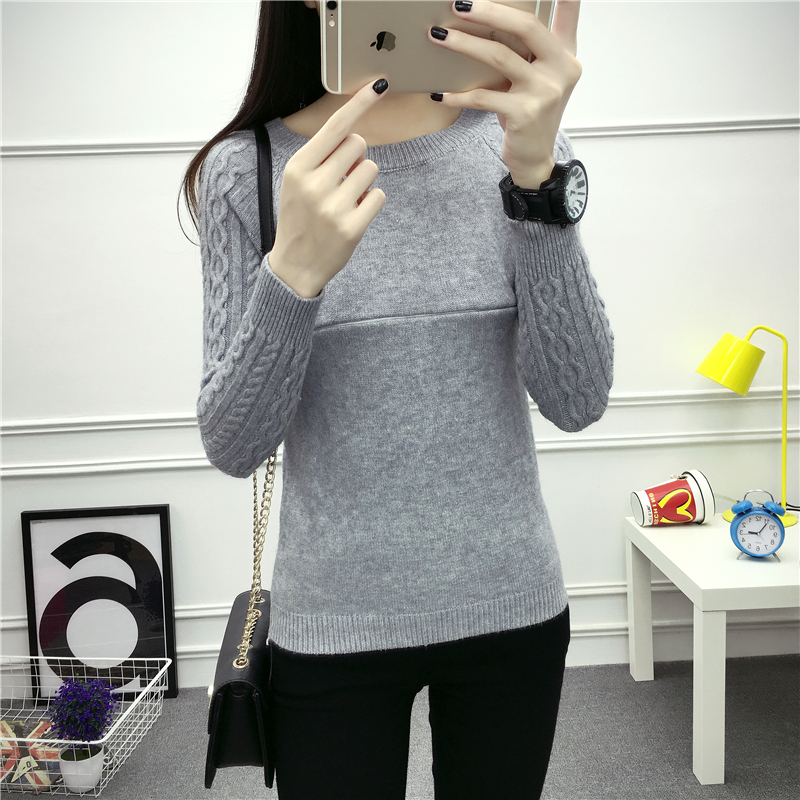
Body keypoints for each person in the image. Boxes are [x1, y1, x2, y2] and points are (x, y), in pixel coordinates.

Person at [182, 1, 613, 798]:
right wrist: (294, 276)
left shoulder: (517, 143)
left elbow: (578, 398)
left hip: (510, 604)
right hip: (331, 621)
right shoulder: (247, 171)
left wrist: (536, 182)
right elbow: (235, 444)